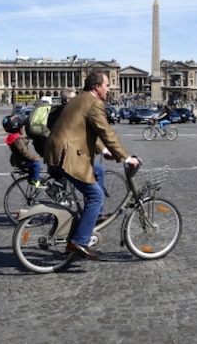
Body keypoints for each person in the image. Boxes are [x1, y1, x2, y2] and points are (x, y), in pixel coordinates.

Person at [44, 71, 140, 260]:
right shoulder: (94, 103)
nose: (109, 89)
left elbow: (82, 130)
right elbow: (106, 132)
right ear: (96, 86)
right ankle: (79, 241)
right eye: (107, 85)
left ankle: (95, 217)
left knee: (99, 170)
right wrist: (126, 158)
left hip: (55, 152)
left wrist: (104, 152)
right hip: (67, 156)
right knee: (95, 195)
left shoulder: (80, 99)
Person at [3, 114, 42, 187]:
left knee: (34, 165)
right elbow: (24, 151)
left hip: (17, 160)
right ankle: (35, 180)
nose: (23, 129)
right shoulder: (18, 140)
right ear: (18, 128)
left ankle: (32, 176)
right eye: (22, 127)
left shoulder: (13, 138)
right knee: (36, 164)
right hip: (22, 161)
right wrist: (33, 158)